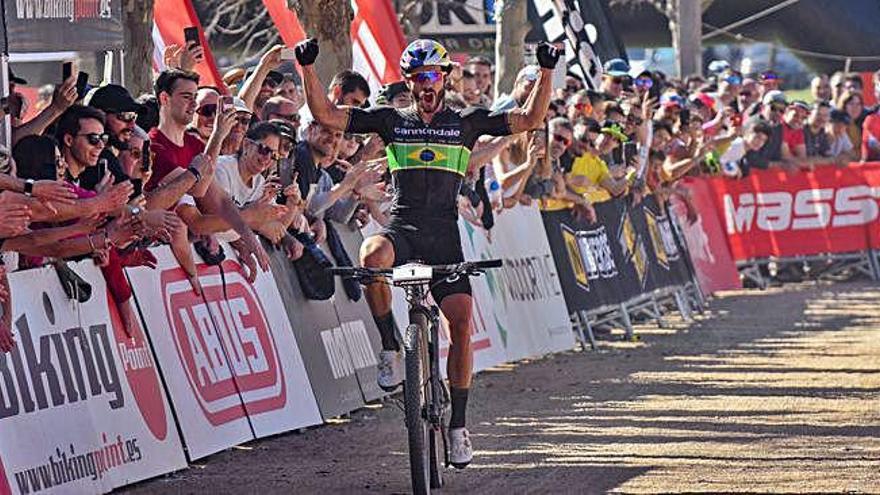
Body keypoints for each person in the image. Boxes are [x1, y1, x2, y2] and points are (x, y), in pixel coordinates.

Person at [298, 36, 558, 468]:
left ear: (445, 77)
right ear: (409, 81)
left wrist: (546, 72)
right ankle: (390, 347)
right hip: (404, 229)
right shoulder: (390, 120)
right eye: (417, 78)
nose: (425, 85)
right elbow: (326, 114)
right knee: (370, 255)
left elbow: (530, 118)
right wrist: (308, 69)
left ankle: (458, 425)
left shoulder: (467, 122)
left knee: (459, 324)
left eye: (432, 76)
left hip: (444, 236)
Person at [148, 69, 269, 281]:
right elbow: (198, 189)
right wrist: (218, 135)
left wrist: (247, 237)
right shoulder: (155, 145)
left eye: (195, 98)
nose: (193, 104)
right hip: (155, 258)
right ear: (165, 98)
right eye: (186, 97)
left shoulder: (194, 144)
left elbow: (219, 199)